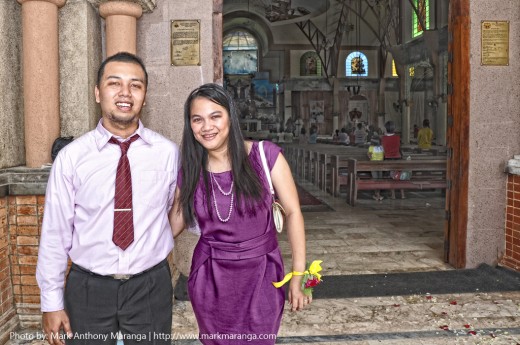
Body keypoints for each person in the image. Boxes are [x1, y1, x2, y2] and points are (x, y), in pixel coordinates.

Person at [36, 52, 179, 345]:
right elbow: (55, 233)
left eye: (135, 85)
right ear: (98, 93)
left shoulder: (167, 153)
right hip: (88, 287)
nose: (125, 93)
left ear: (145, 95)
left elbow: (173, 210)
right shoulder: (72, 157)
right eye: (114, 83)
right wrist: (51, 301)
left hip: (150, 285)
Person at [169, 83, 308, 344]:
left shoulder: (265, 156)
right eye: (197, 120)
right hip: (211, 278)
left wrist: (298, 275)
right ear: (191, 126)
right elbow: (173, 224)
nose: (206, 126)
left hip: (263, 275)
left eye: (215, 116)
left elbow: (293, 212)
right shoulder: (190, 170)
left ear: (230, 117)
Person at [381, 121, 405, 199]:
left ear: (386, 128)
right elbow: (399, 148)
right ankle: (402, 194)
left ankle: (393, 194)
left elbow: (382, 149)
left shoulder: (383, 138)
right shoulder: (398, 137)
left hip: (387, 158)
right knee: (398, 175)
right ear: (394, 129)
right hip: (397, 158)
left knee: (390, 176)